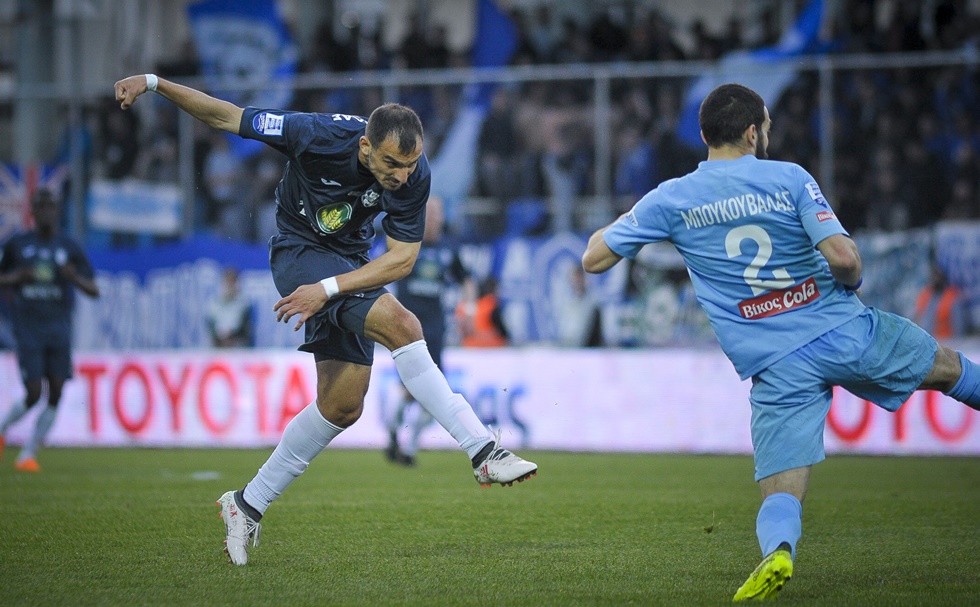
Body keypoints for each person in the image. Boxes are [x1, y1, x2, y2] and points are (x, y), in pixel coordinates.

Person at [114, 73, 537, 566]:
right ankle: (484, 451)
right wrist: (154, 82)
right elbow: (227, 116)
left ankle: (246, 503)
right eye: (391, 164)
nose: (402, 176)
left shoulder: (413, 175)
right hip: (299, 252)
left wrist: (330, 288)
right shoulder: (314, 134)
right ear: (364, 146)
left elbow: (401, 260)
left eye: (410, 164)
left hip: (344, 268)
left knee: (341, 406)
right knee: (404, 326)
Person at [581, 83, 980, 602]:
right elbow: (845, 259)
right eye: (764, 127)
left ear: (705, 134)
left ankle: (779, 552)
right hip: (843, 332)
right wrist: (852, 286)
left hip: (776, 365)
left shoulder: (672, 198)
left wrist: (639, 224)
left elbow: (594, 257)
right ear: (752, 131)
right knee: (950, 370)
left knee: (780, 486)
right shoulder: (788, 178)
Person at [0, 188, 100, 472]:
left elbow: (93, 289)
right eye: (41, 207)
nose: (46, 212)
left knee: (56, 391)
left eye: (51, 207)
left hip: (58, 326)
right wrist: (16, 277)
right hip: (28, 327)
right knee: (33, 393)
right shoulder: (18, 245)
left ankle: (27, 454)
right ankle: (3, 429)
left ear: (57, 211)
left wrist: (74, 278)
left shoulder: (68, 246)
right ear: (32, 211)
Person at [384, 195, 467, 466]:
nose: (434, 219)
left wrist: (469, 308)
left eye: (437, 214)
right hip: (404, 329)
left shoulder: (448, 249)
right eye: (429, 214)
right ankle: (394, 433)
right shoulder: (405, 246)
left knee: (432, 392)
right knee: (406, 388)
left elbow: (466, 280)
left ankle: (409, 448)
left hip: (435, 330)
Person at [206, 267, 253, 348]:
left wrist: (231, 336)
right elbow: (211, 327)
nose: (230, 285)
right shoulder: (213, 303)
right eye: (227, 282)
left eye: (233, 281)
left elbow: (245, 329)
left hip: (238, 346)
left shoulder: (244, 303)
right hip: (218, 346)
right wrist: (220, 338)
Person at [457, 276, 509, 347]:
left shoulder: (483, 305)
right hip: (484, 345)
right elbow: (502, 331)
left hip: (474, 345)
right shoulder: (490, 304)